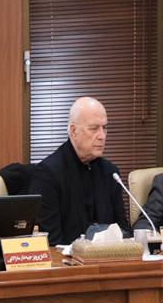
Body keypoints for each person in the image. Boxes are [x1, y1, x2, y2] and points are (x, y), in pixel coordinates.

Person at [29, 96, 128, 245]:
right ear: (73, 131)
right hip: (68, 258)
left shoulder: (110, 173)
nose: (102, 136)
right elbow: (51, 243)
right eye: (94, 128)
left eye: (105, 128)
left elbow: (123, 231)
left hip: (108, 256)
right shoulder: (48, 174)